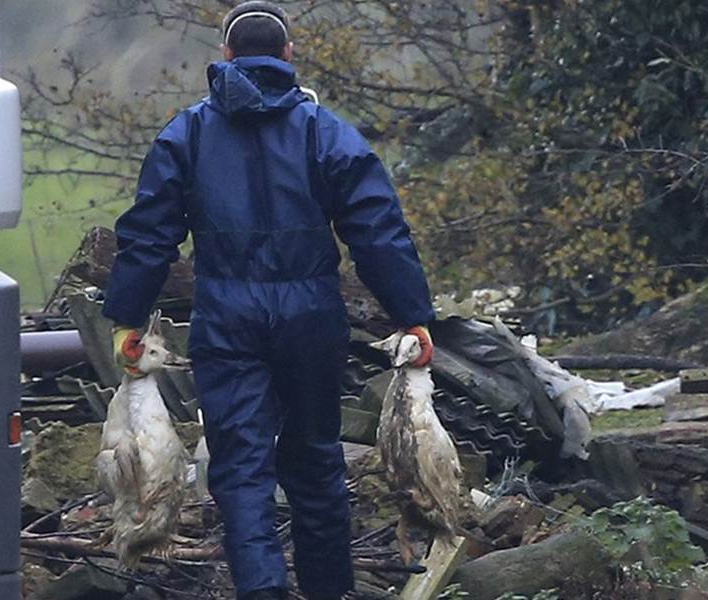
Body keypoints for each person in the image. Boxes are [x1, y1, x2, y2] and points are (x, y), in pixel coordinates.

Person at [102, 2, 436, 598]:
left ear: (225, 57)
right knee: (315, 462)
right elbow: (378, 230)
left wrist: (127, 318)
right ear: (288, 56)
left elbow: (149, 234)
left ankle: (262, 591)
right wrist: (413, 314)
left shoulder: (188, 133)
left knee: (240, 471)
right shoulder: (324, 131)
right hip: (311, 318)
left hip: (226, 320)